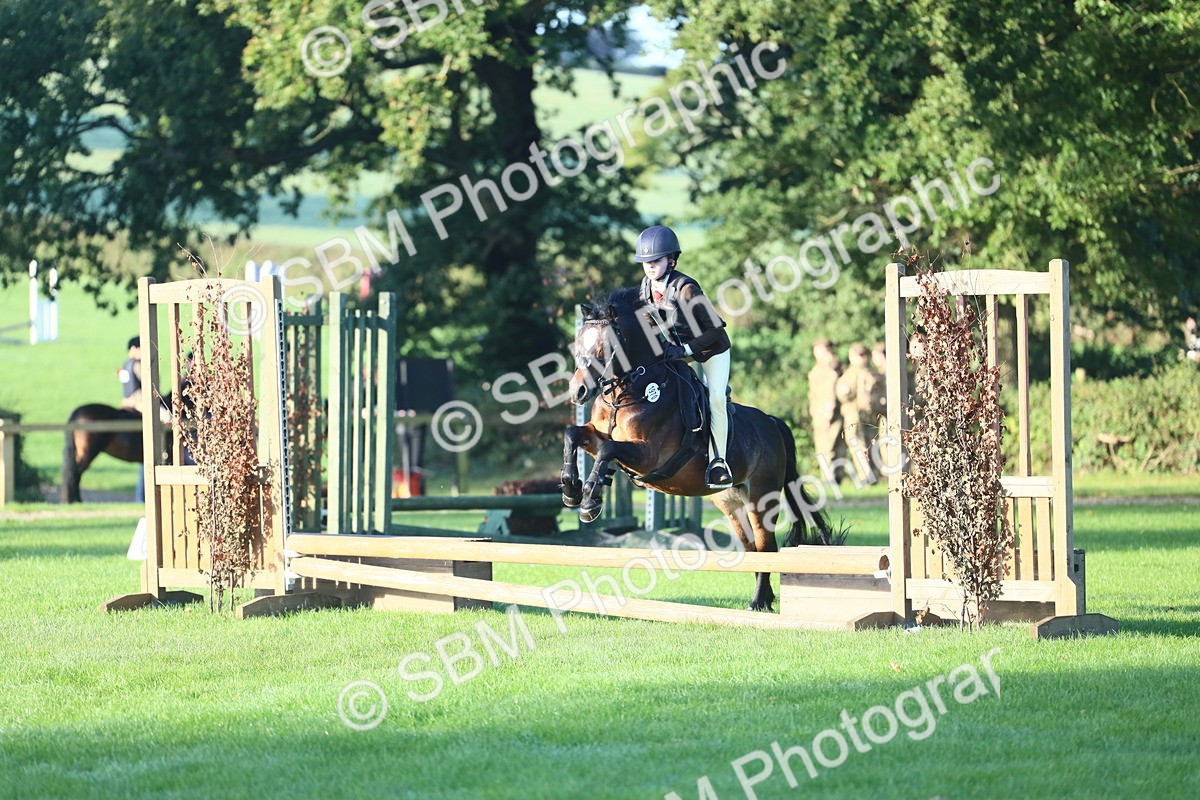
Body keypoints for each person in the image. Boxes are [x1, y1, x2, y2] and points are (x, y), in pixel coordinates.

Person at [635, 225, 734, 489]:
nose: (650, 267)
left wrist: (686, 351)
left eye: (655, 261)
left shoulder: (686, 288)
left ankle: (718, 463)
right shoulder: (644, 289)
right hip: (676, 352)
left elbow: (715, 328)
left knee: (715, 400)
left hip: (710, 350)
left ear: (671, 260)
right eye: (645, 262)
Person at [835, 342, 879, 484]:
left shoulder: (851, 373)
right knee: (869, 445)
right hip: (869, 414)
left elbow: (843, 393)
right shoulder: (872, 373)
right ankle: (872, 475)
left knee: (856, 444)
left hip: (853, 414)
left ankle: (866, 476)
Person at [808, 338, 845, 483]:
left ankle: (830, 478)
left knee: (827, 445)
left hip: (826, 411)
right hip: (819, 410)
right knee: (825, 445)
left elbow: (830, 388)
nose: (816, 353)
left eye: (818, 350)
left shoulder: (831, 367)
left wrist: (829, 407)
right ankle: (832, 476)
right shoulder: (820, 367)